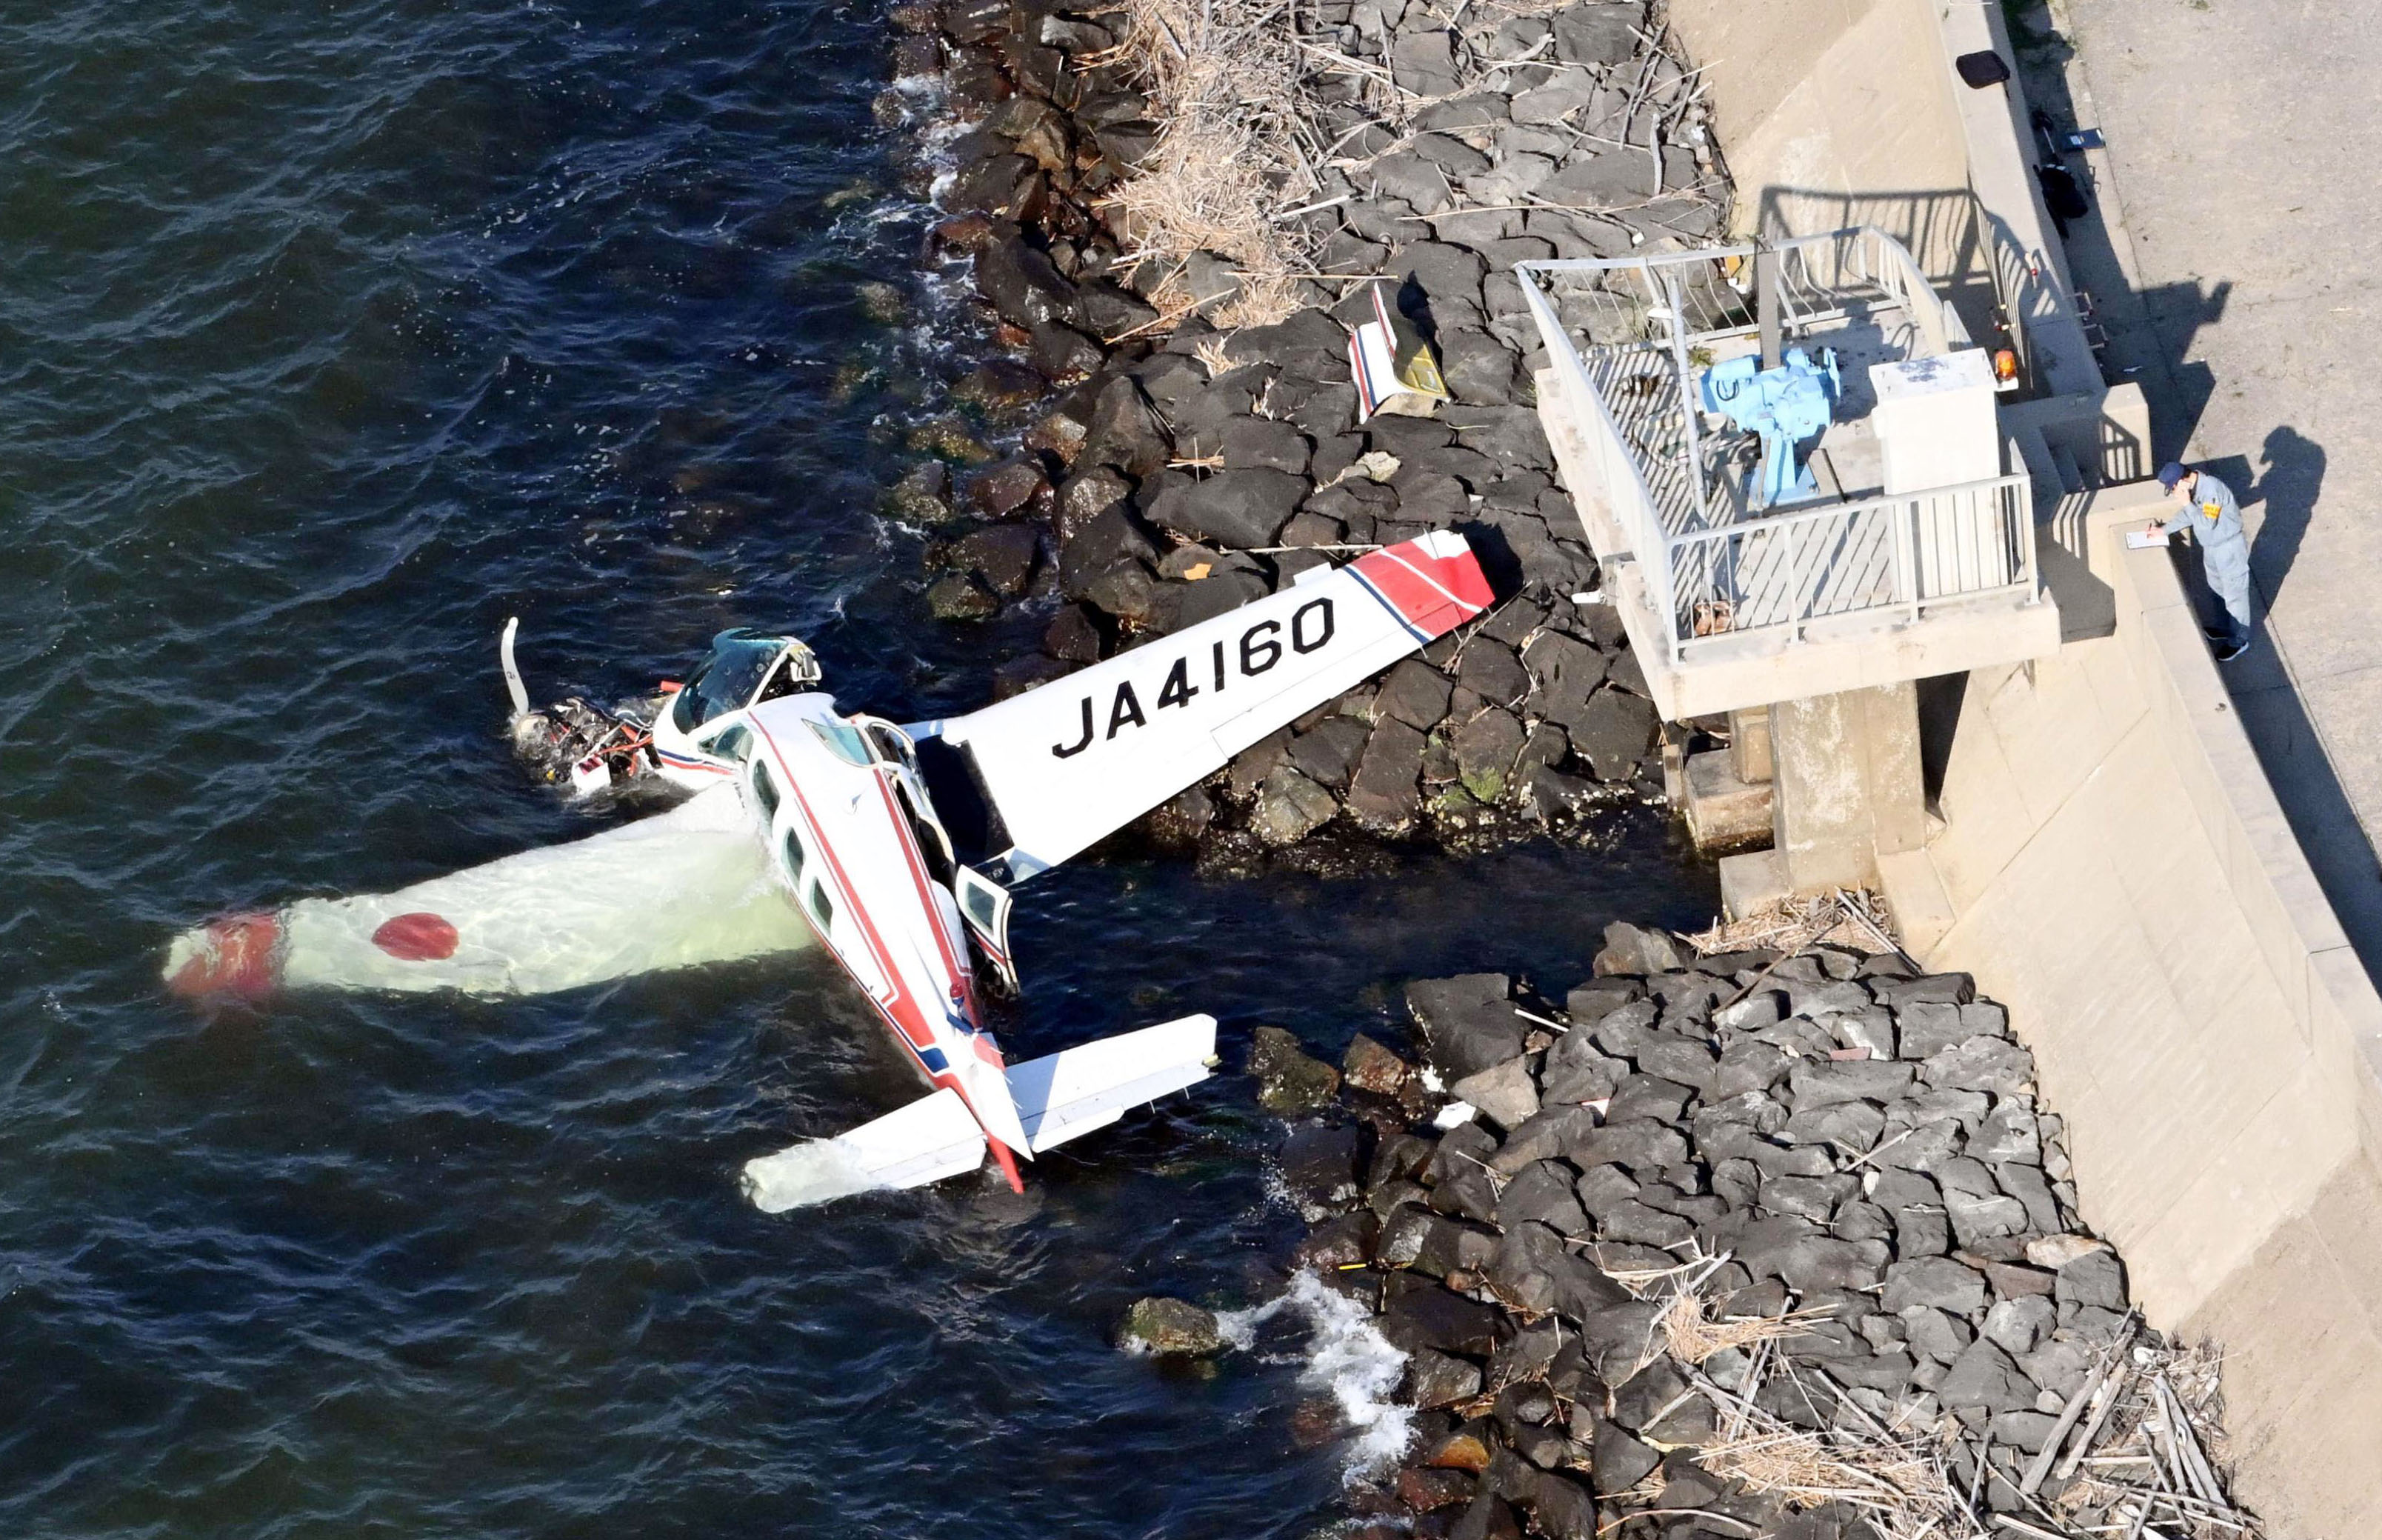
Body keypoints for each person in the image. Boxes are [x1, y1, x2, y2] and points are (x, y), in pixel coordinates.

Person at [2152, 461, 2252, 661]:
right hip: (2212, 548)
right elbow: (2188, 516)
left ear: (2183, 481)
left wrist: (2187, 503)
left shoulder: (2211, 489)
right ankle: (2224, 628)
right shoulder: (2194, 491)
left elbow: (2206, 524)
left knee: (2235, 597)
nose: (2174, 493)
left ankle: (2239, 641)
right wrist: (2164, 530)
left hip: (2228, 548)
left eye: (2173, 488)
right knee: (2217, 591)